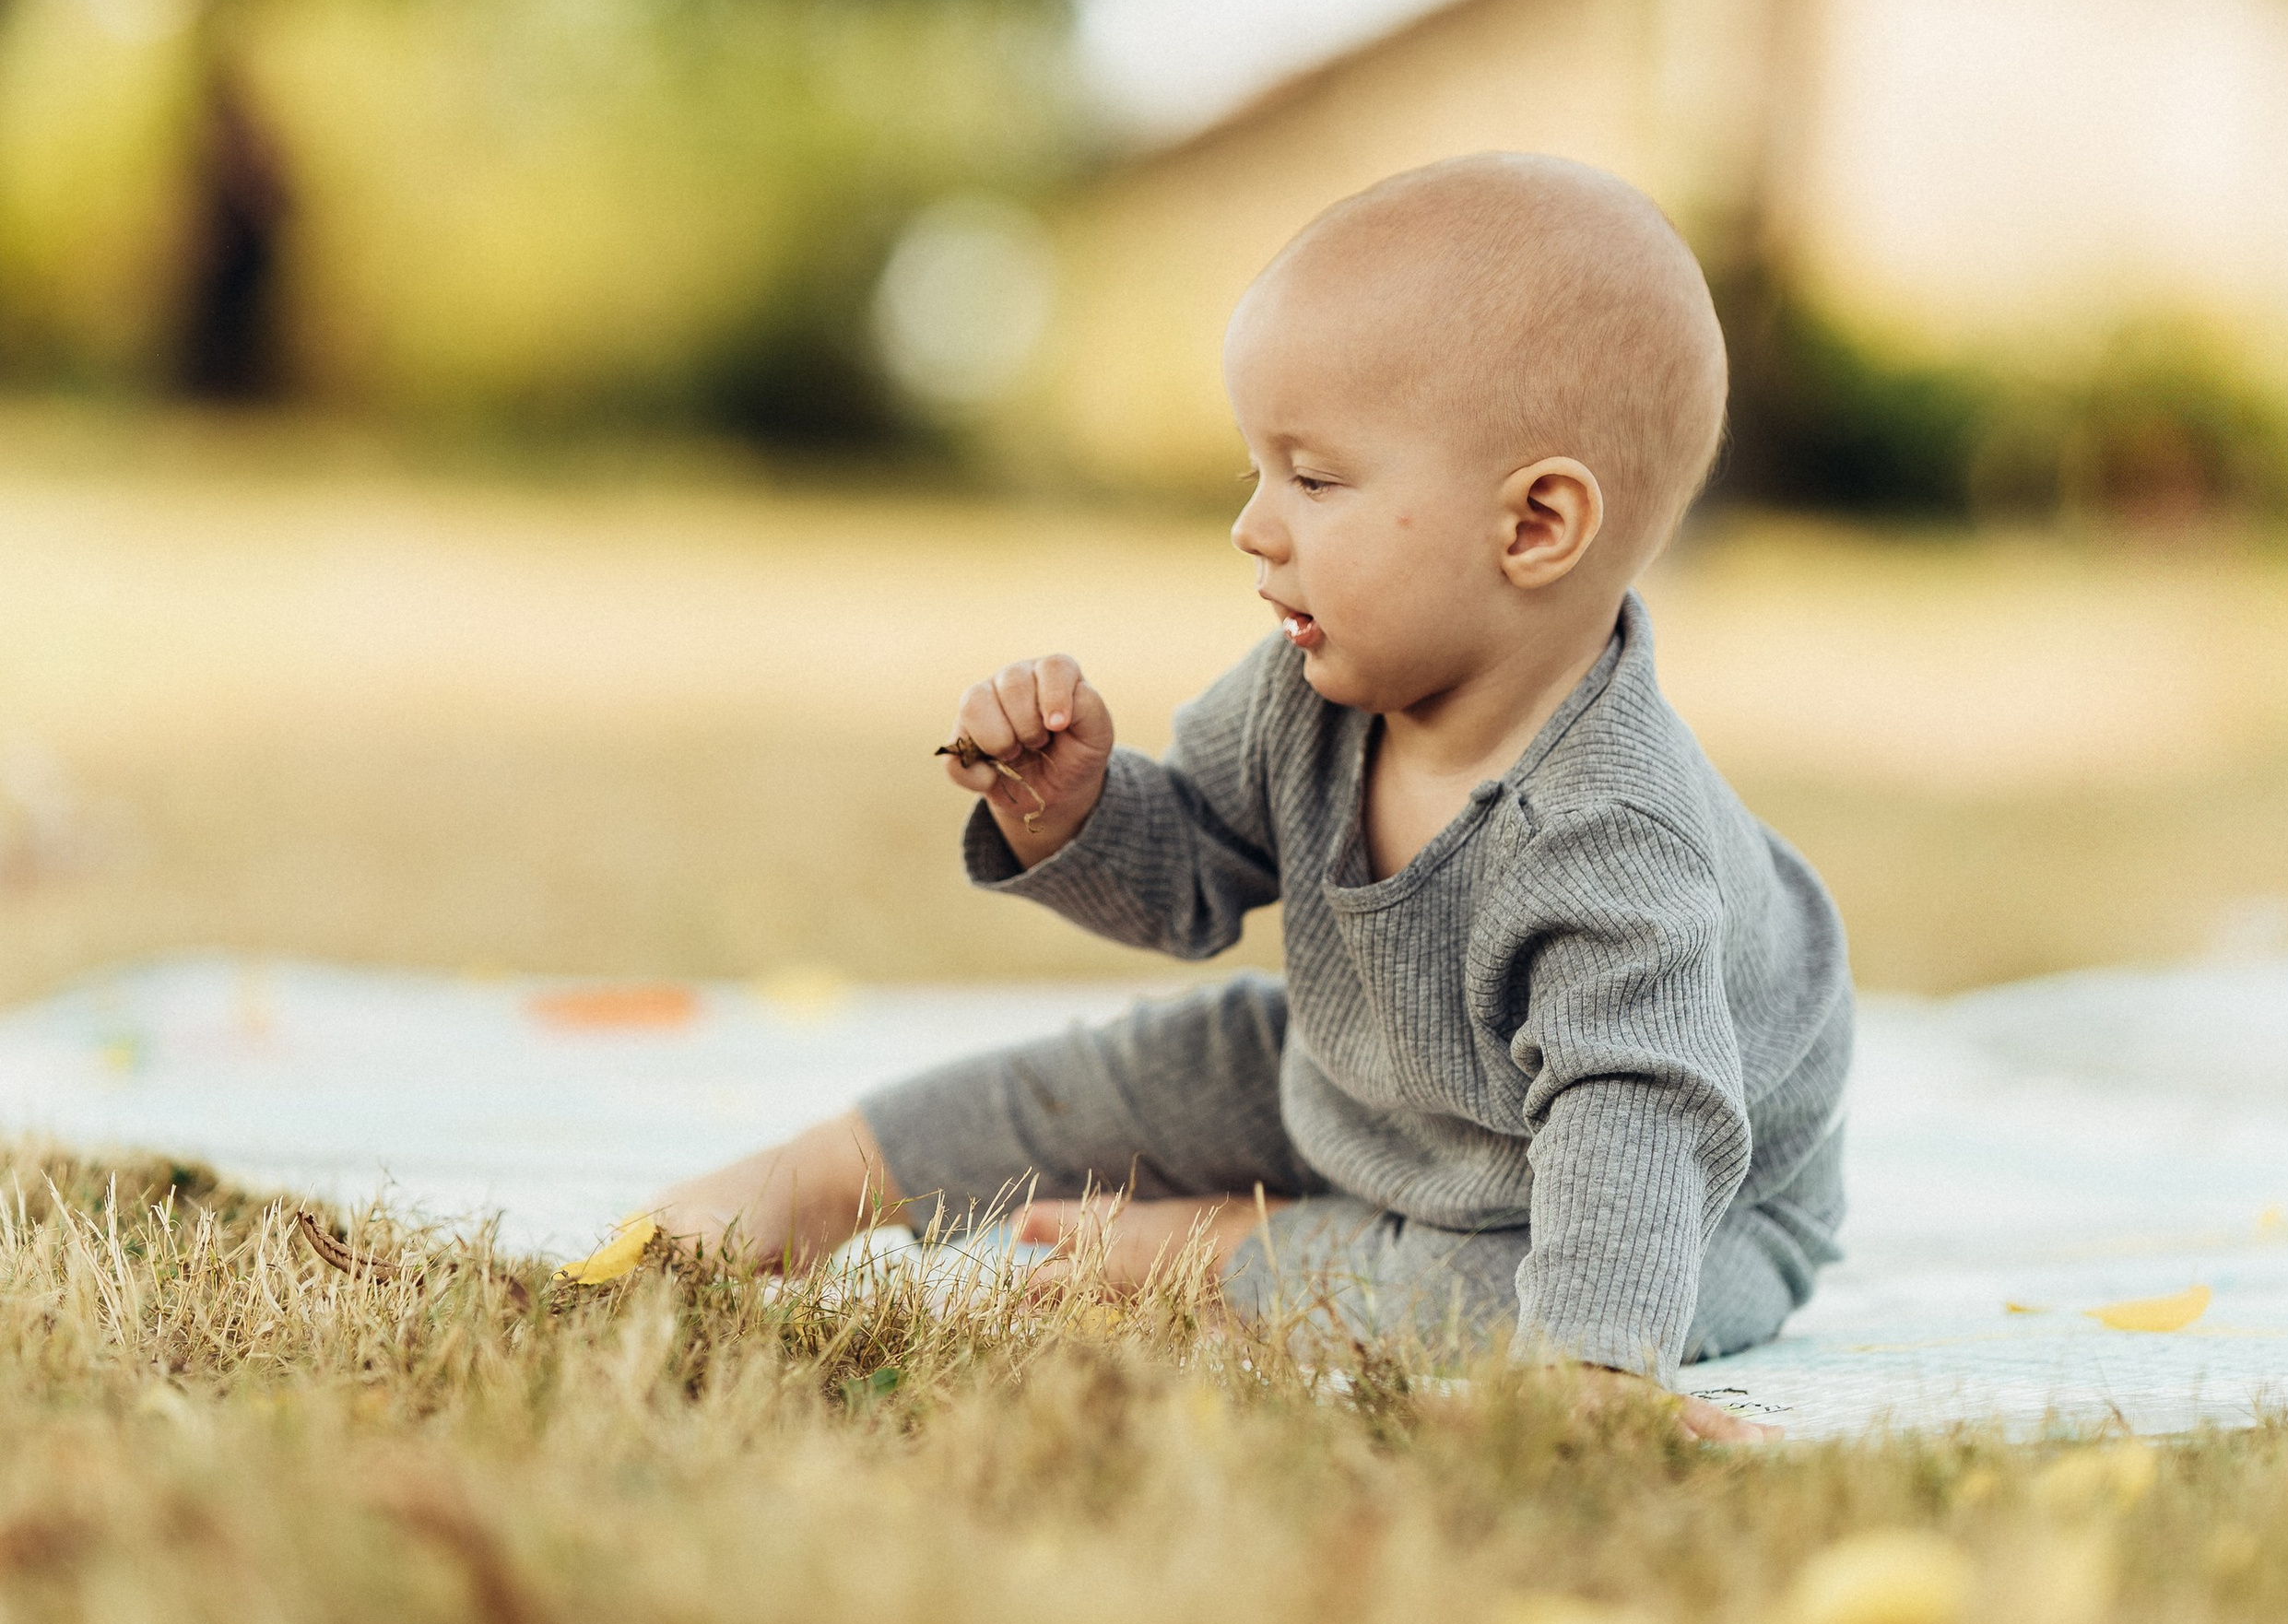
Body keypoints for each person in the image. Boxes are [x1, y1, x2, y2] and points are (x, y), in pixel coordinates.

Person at [645, 156, 1853, 1443]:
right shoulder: (1310, 694)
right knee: (1122, 1076)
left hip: (1682, 1197)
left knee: (1509, 1304)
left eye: (1314, 480)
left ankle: (1217, 1255)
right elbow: (1189, 881)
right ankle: (825, 1178)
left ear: (1535, 526)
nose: (1253, 527)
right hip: (1370, 1075)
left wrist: (1591, 1382)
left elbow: (1636, 1126)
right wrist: (1074, 810)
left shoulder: (1614, 841)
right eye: (1258, 471)